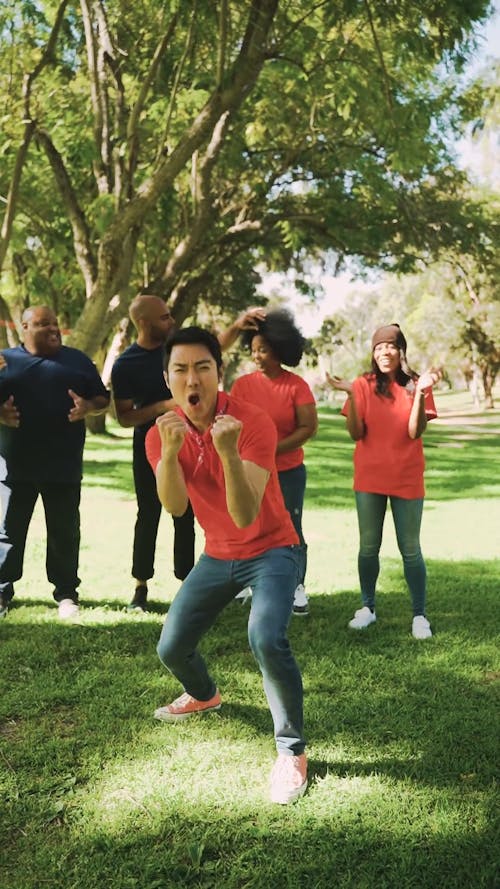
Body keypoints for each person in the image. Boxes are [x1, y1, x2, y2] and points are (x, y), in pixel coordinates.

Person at [145, 326, 307, 805]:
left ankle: (291, 751)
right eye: (181, 369)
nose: (192, 378)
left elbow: (245, 514)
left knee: (265, 637)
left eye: (203, 367)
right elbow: (175, 507)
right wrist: (171, 453)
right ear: (168, 378)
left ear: (219, 373)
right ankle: (204, 693)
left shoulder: (251, 421)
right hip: (218, 554)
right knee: (171, 647)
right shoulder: (163, 433)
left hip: (273, 549)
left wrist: (228, 454)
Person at [111, 295, 266, 611]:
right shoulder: (126, 364)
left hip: (195, 440)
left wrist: (237, 325)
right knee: (149, 514)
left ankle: (187, 582)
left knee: (186, 517)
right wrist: (166, 408)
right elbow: (125, 416)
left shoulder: (180, 349)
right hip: (153, 444)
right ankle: (140, 586)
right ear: (144, 322)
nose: (171, 322)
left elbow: (212, 349)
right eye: (165, 318)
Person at [326, 323, 440, 639]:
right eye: (378, 347)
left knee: (410, 549)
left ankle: (419, 615)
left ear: (400, 350)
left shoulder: (418, 383)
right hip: (369, 477)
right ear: (373, 353)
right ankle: (367, 607)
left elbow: (415, 431)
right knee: (368, 547)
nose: (383, 352)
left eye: (389, 346)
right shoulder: (362, 384)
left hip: (406, 477)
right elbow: (355, 433)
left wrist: (419, 394)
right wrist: (351, 393)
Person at [0, 306, 109, 619]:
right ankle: (2, 592)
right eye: (43, 323)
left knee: (64, 532)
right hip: (14, 466)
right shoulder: (6, 360)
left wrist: (88, 405)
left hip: (63, 466)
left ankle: (66, 594)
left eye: (55, 322)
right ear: (24, 327)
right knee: (7, 532)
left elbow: (102, 399)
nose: (53, 328)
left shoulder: (78, 360)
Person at [230, 308, 317, 615]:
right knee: (251, 526)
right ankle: (251, 583)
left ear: (278, 350)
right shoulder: (242, 386)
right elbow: (233, 423)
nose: (257, 356)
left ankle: (296, 588)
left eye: (263, 350)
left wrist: (274, 448)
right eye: (253, 350)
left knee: (291, 528)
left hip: (289, 471)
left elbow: (308, 427)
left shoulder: (296, 386)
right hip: (252, 470)